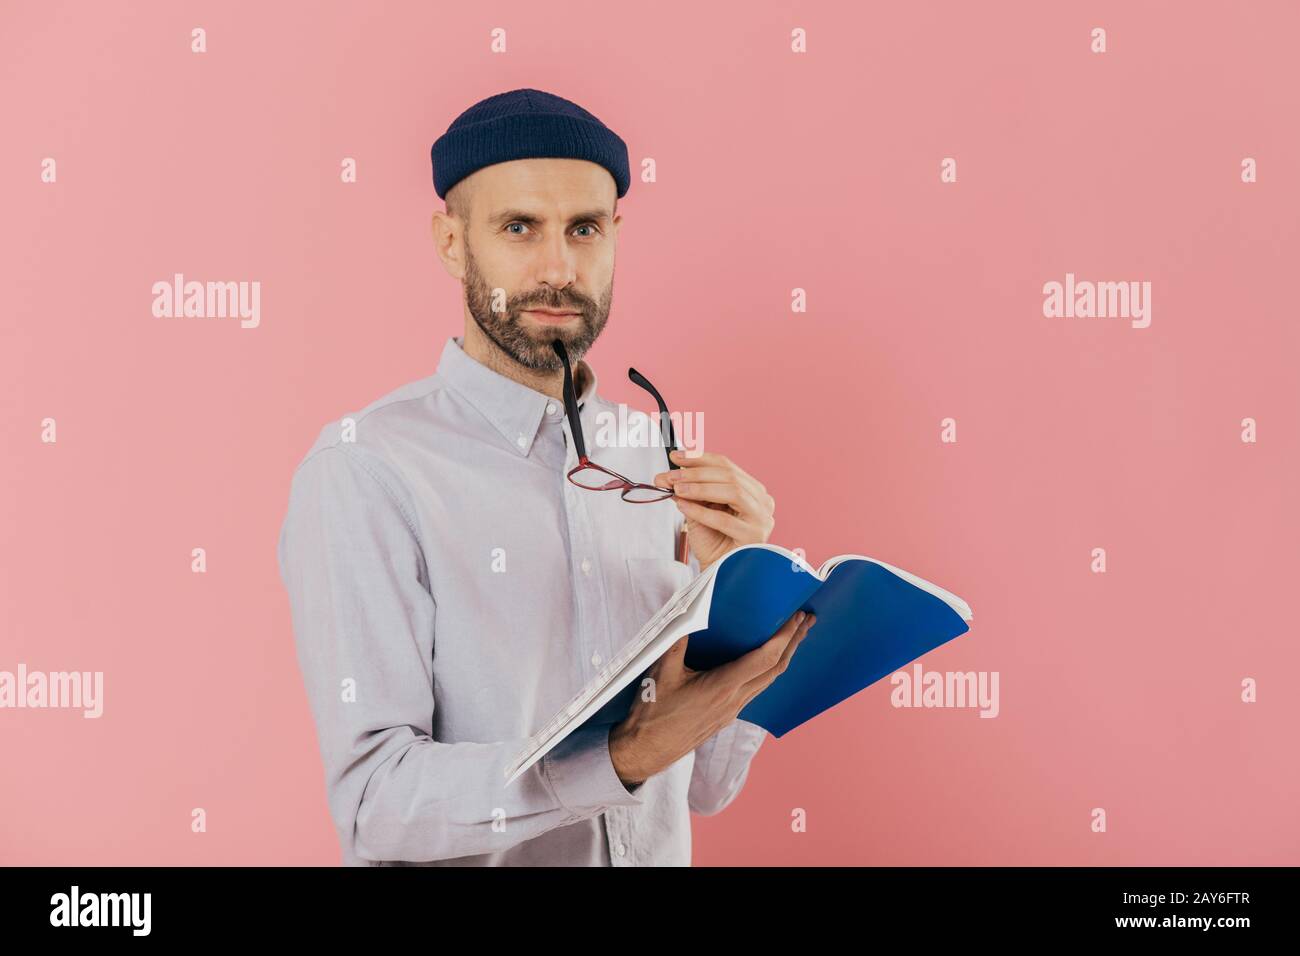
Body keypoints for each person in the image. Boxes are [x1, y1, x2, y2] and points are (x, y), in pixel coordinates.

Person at [276, 87, 815, 866]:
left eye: (584, 229)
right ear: (453, 242)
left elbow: (704, 785)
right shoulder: (365, 471)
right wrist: (617, 758)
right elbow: (374, 805)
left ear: (615, 238)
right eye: (520, 227)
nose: (559, 270)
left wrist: (741, 592)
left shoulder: (653, 457)